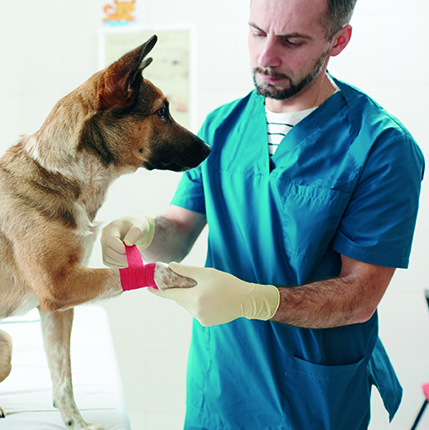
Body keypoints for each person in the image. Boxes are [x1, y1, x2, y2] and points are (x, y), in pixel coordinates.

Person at [100, 0, 424, 428]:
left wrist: (257, 300)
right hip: (221, 381)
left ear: (337, 41)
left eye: (291, 41)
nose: (266, 58)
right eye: (257, 33)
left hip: (311, 393)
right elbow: (178, 232)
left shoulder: (380, 146)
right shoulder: (221, 126)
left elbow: (360, 296)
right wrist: (142, 231)